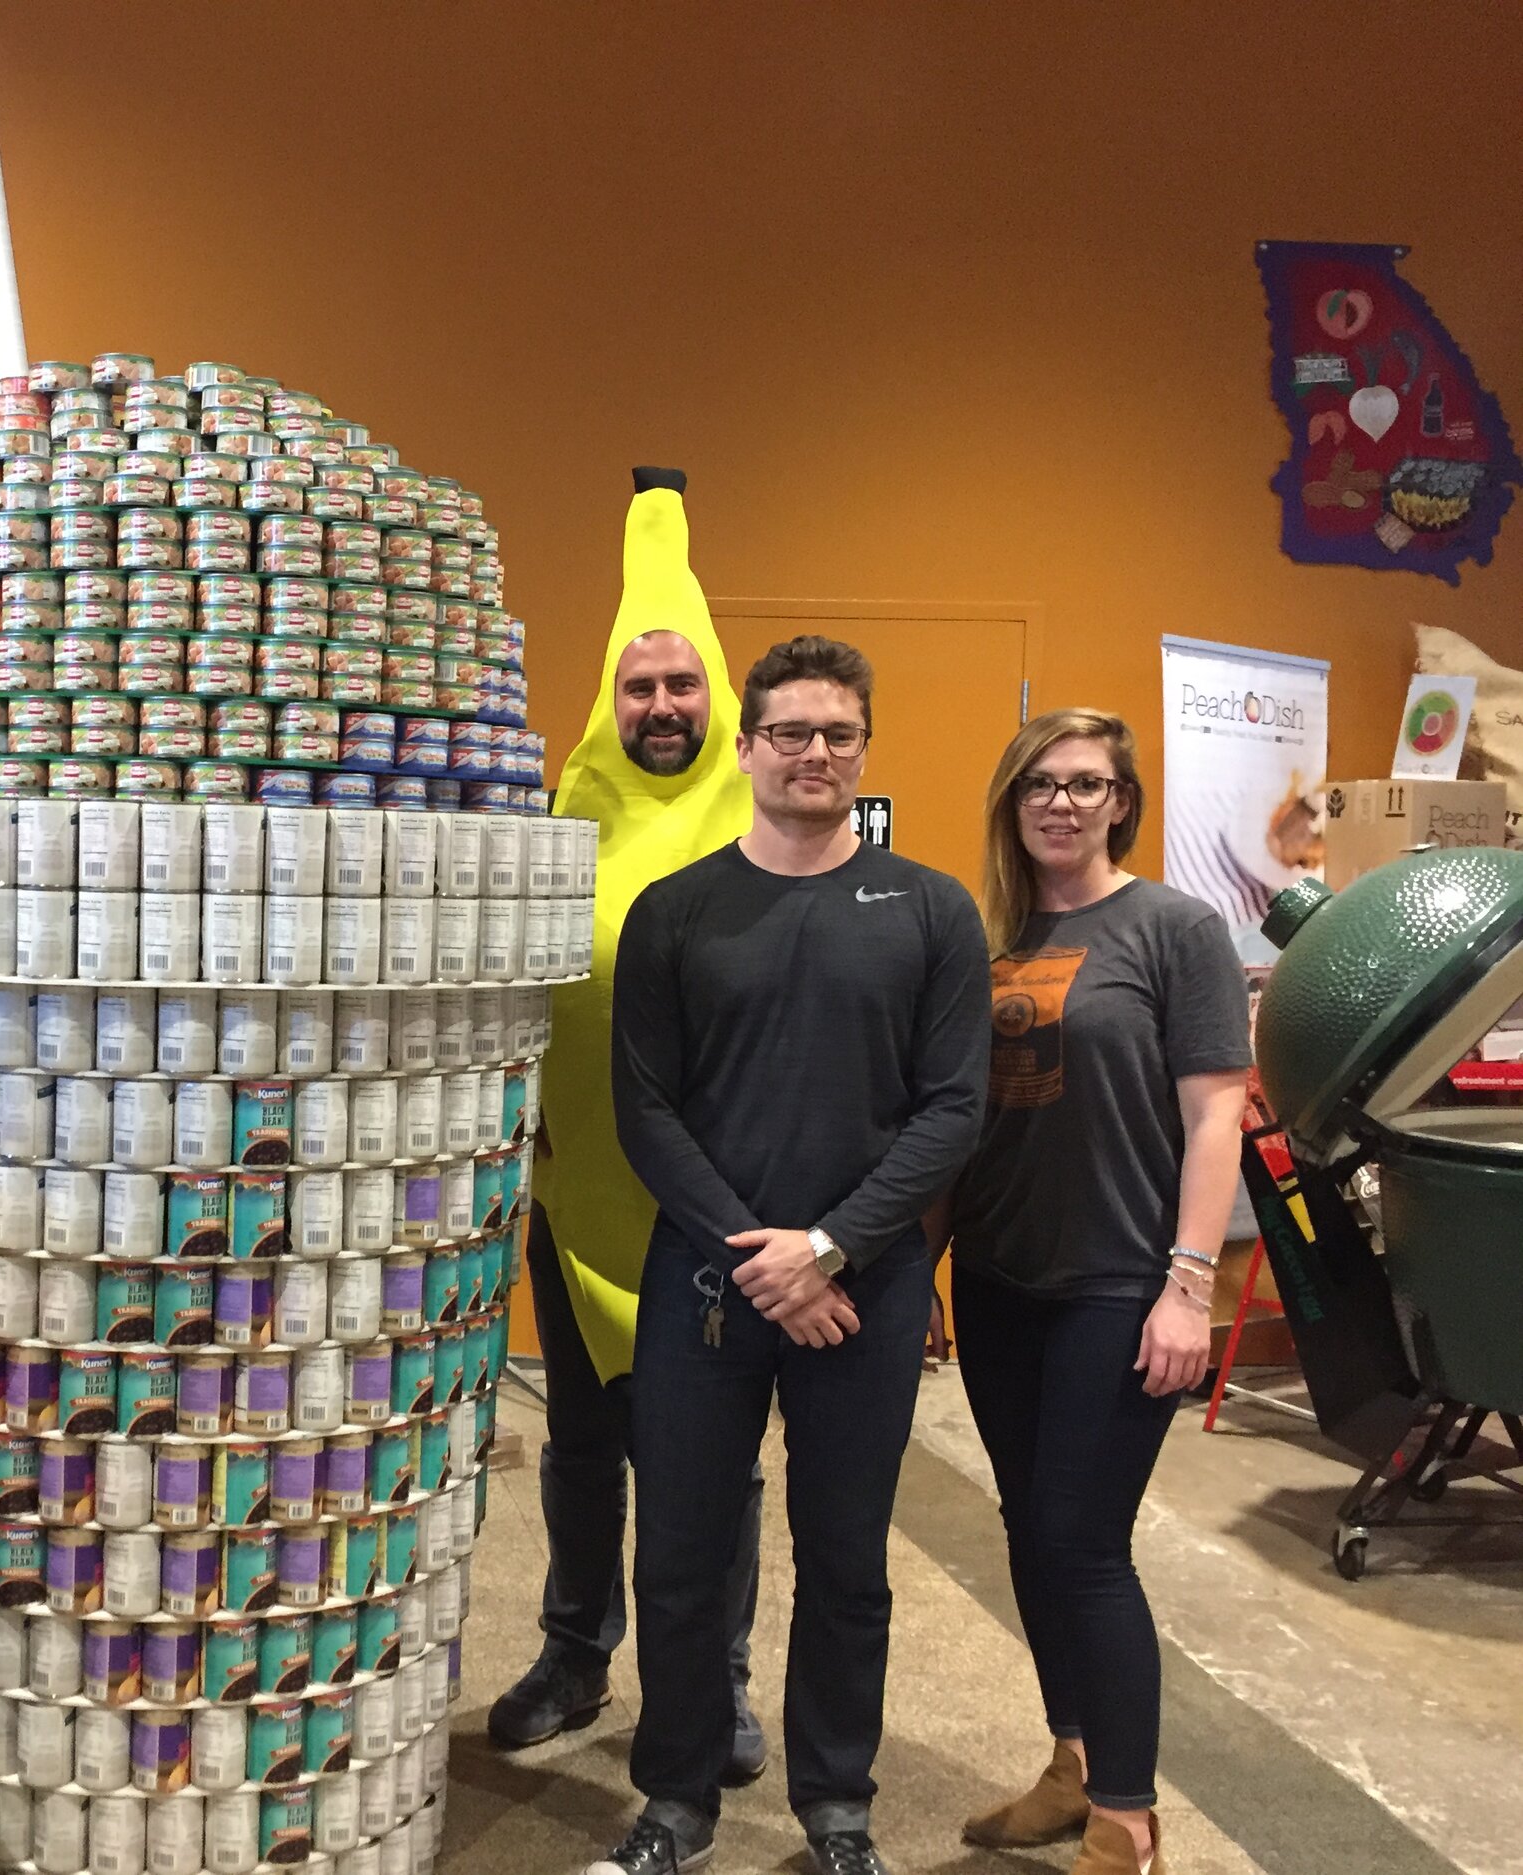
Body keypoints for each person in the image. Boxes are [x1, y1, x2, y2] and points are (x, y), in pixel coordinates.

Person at [598, 635, 990, 1875]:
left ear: (862, 747)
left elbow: (952, 1108)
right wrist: (761, 1256)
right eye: (789, 733)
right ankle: (674, 1799)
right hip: (704, 1287)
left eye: (837, 734)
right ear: (748, 744)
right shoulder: (678, 911)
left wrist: (827, 1247)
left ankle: (835, 1806)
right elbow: (644, 1108)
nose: (813, 754)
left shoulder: (930, 909)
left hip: (858, 1290)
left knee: (845, 1558)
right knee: (678, 1553)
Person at [495, 468, 768, 1782]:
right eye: (638, 684)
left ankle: (713, 1682)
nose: (660, 708)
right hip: (577, 1192)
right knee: (584, 1442)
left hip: (711, 1208)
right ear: (612, 696)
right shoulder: (567, 815)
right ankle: (572, 1650)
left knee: (712, 1458)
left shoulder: (771, 829)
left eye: (681, 683)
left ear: (718, 690)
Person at [944, 711, 1249, 1875]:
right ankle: (1068, 1765)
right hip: (998, 1276)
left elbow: (1216, 1113)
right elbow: (956, 1123)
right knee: (1028, 1534)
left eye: (1086, 784)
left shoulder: (1173, 928)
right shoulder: (988, 938)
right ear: (1010, 800)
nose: (1060, 803)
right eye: (1038, 783)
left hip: (1118, 1284)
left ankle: (1128, 1818)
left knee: (1082, 1545)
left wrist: (1188, 1286)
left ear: (1121, 801)